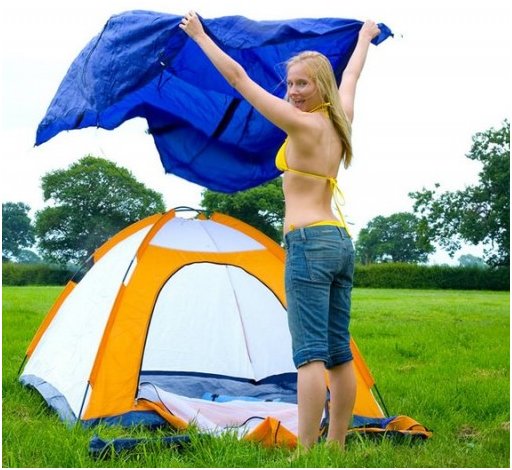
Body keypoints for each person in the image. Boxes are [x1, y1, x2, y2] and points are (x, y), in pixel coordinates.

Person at [180, 11, 381, 450]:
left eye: (302, 84)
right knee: (340, 353)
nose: (292, 93)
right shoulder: (340, 117)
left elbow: (237, 78)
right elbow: (353, 74)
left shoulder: (302, 124)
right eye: (289, 84)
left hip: (309, 244)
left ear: (319, 86)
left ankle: (307, 452)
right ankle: (337, 447)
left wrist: (199, 36)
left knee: (310, 356)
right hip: (339, 243)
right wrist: (364, 36)